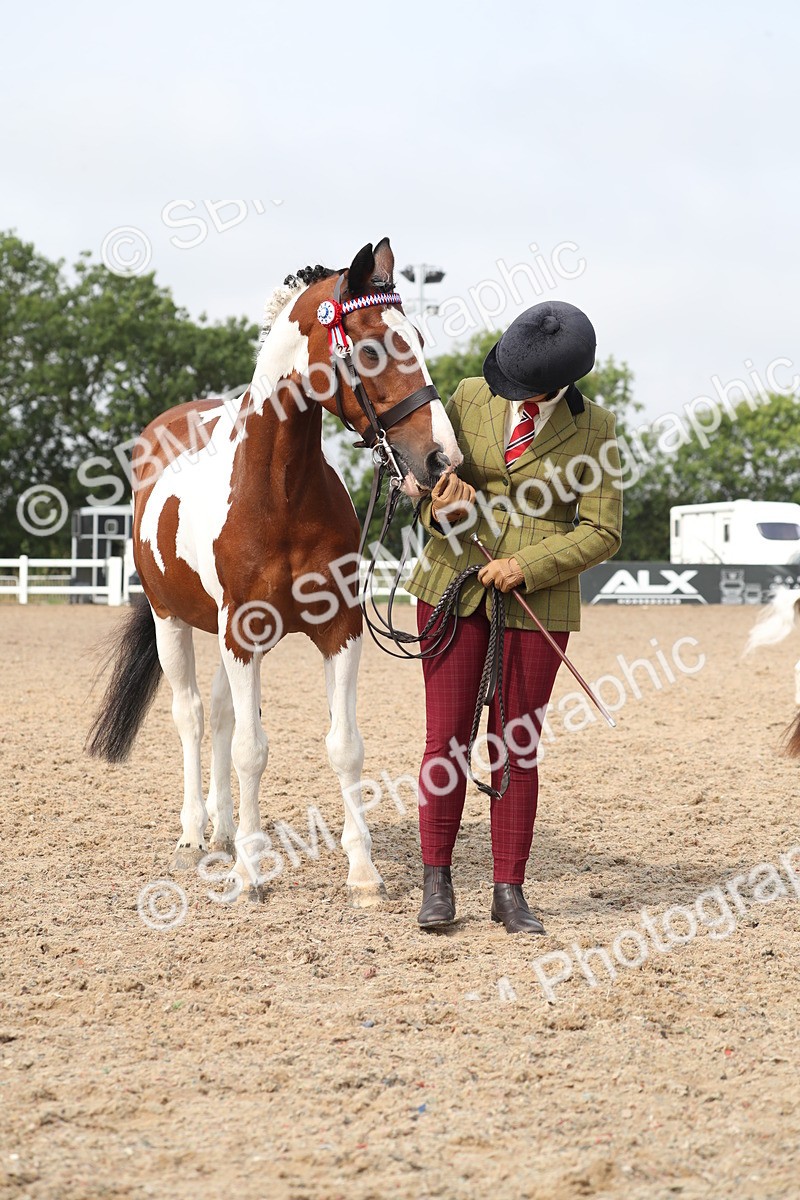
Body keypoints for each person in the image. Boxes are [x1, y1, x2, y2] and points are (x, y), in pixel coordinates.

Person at [405, 301, 623, 934]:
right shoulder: (469, 396)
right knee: (445, 740)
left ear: (562, 382)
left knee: (515, 747)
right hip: (451, 583)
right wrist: (438, 506)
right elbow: (422, 485)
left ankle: (509, 890)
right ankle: (437, 881)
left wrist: (526, 564)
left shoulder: (596, 430)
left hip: (536, 605)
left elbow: (602, 530)